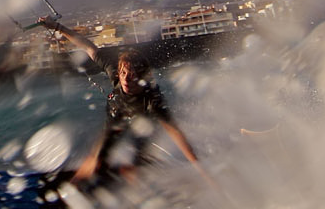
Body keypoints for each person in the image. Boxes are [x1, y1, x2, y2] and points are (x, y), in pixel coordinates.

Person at [38, 16, 213, 188]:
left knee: (138, 162)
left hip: (142, 122)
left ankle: (142, 187)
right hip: (117, 114)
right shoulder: (115, 71)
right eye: (123, 74)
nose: (126, 79)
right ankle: (71, 191)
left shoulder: (152, 99)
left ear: (142, 76)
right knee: (97, 160)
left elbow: (176, 134)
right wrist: (57, 27)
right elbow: (87, 47)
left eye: (132, 75)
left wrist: (202, 170)